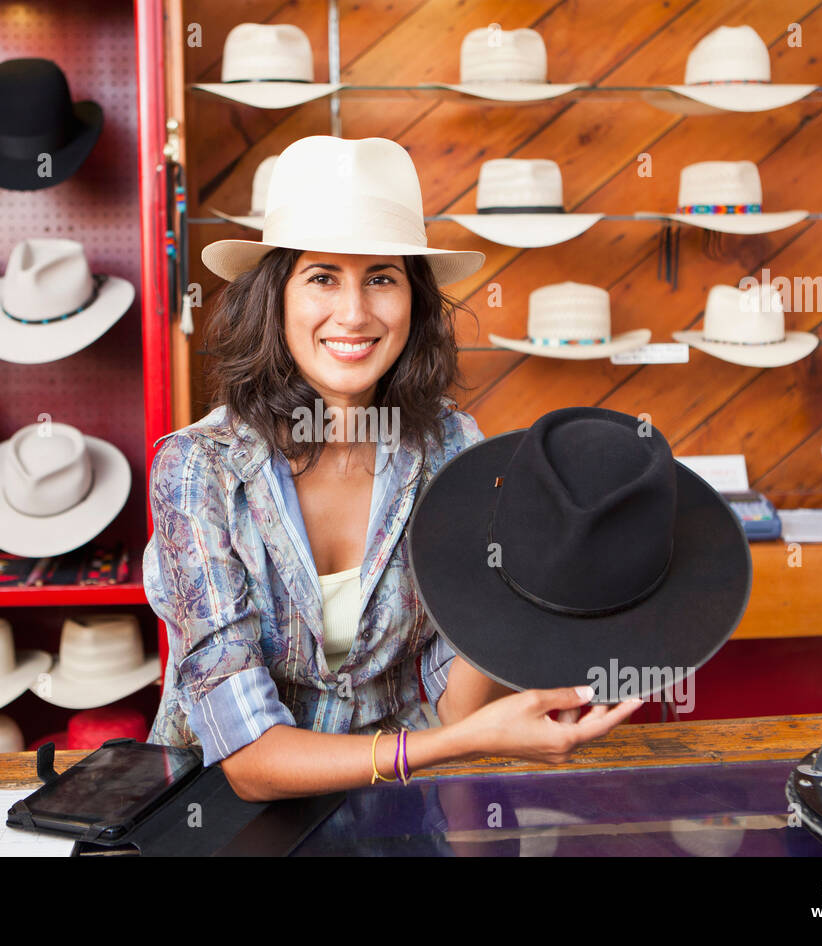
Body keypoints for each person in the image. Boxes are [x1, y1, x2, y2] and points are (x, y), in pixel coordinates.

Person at [144, 136, 641, 802]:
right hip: (214, 818)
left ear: (415, 300)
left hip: (391, 812)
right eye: (322, 277)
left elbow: (456, 703)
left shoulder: (453, 449)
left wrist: (517, 579)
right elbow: (249, 762)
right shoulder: (198, 470)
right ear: (276, 297)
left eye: (381, 277)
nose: (354, 314)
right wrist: (458, 745)